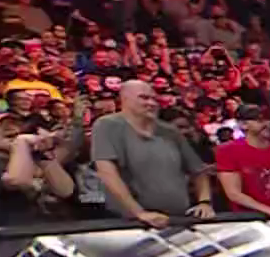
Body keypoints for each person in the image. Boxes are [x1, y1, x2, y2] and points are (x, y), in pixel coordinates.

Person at [91, 79, 214, 228]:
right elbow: (107, 173)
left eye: (154, 99)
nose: (151, 103)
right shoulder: (107, 125)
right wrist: (139, 213)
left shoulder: (169, 131)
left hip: (178, 218)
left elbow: (198, 170)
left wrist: (204, 202)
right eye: (144, 98)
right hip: (131, 223)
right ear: (124, 99)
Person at [214, 103, 270, 236]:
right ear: (243, 125)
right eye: (259, 120)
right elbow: (234, 193)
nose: (266, 124)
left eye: (268, 119)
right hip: (245, 221)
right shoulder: (227, 150)